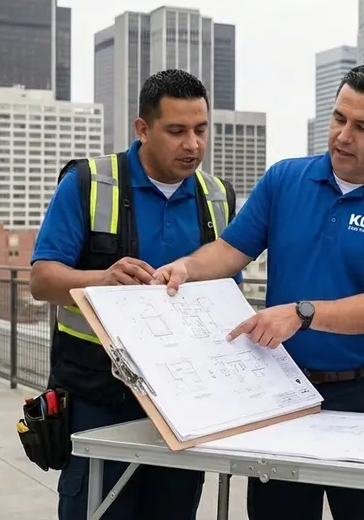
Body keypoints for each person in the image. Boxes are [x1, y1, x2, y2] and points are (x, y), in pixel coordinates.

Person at [152, 64, 364, 520]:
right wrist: (184, 268)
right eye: (339, 118)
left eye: (363, 126)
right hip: (281, 390)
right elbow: (230, 250)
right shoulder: (285, 180)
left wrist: (301, 314)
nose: (344, 135)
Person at [29, 70, 239, 520]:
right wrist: (100, 280)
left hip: (185, 403)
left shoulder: (219, 197)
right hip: (97, 397)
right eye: (177, 131)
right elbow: (42, 279)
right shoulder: (87, 183)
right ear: (142, 128)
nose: (193, 145)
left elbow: (228, 296)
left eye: (201, 130)